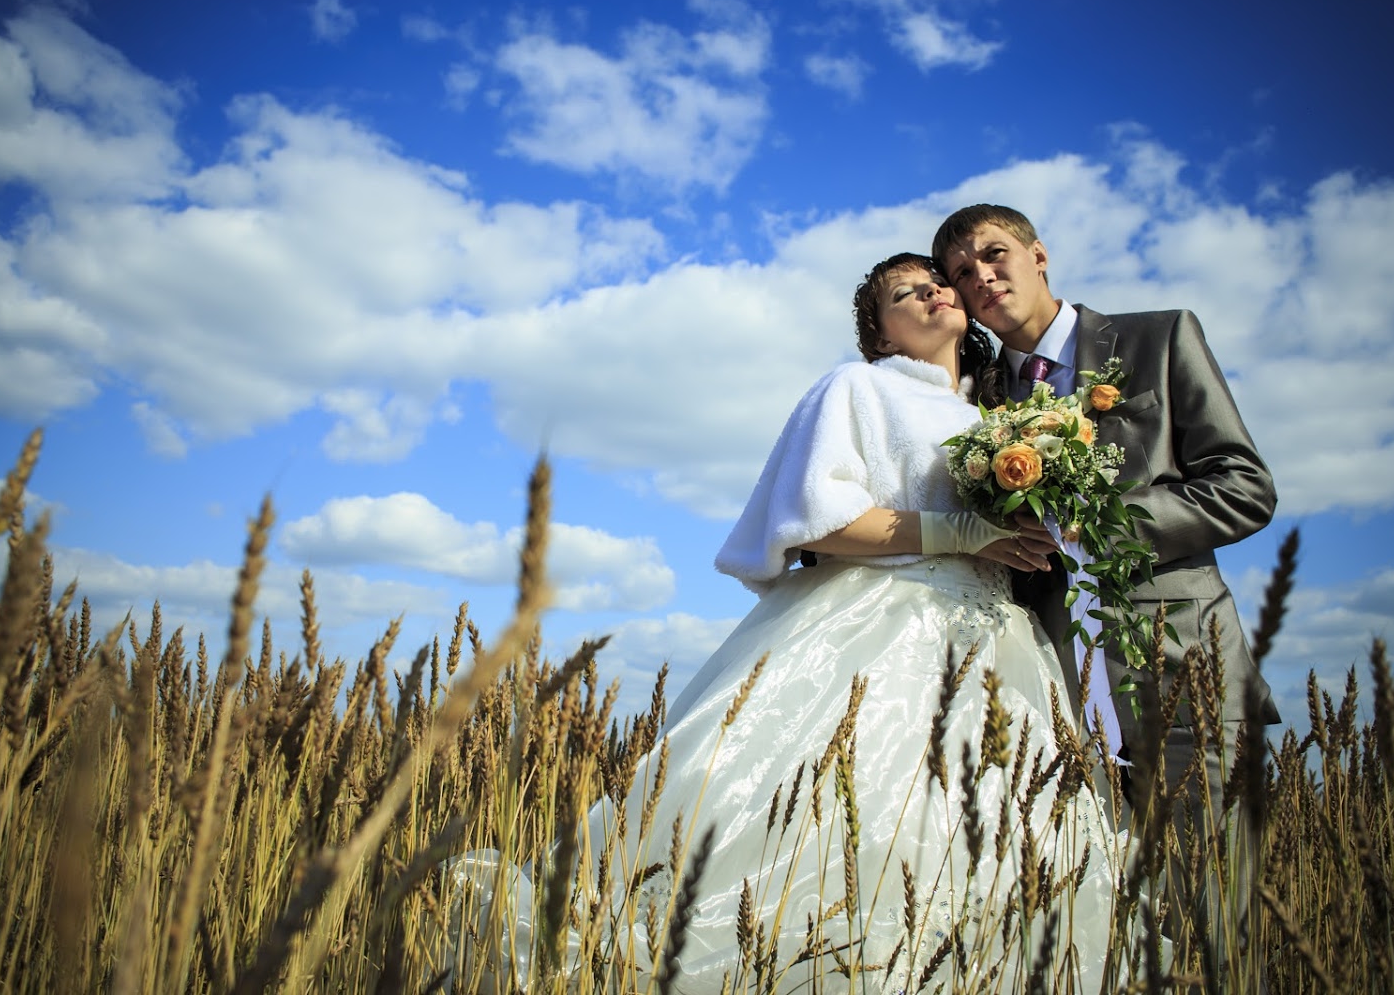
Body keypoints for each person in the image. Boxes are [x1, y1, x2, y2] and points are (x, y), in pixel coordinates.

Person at [446, 253, 1127, 993]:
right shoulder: (858, 387)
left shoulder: (995, 423)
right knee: (842, 824)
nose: (932, 291)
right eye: (907, 291)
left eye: (937, 282)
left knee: (990, 840)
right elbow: (818, 521)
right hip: (878, 629)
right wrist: (960, 534)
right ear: (883, 334)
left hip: (993, 648)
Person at [932, 204, 1280, 970]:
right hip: (1051, 695)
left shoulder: (1160, 338)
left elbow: (1245, 487)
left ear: (1039, 254)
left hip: (1184, 665)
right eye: (962, 272)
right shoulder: (977, 403)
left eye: (994, 254)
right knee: (1099, 932)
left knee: (1220, 918)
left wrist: (1105, 521)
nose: (981, 276)